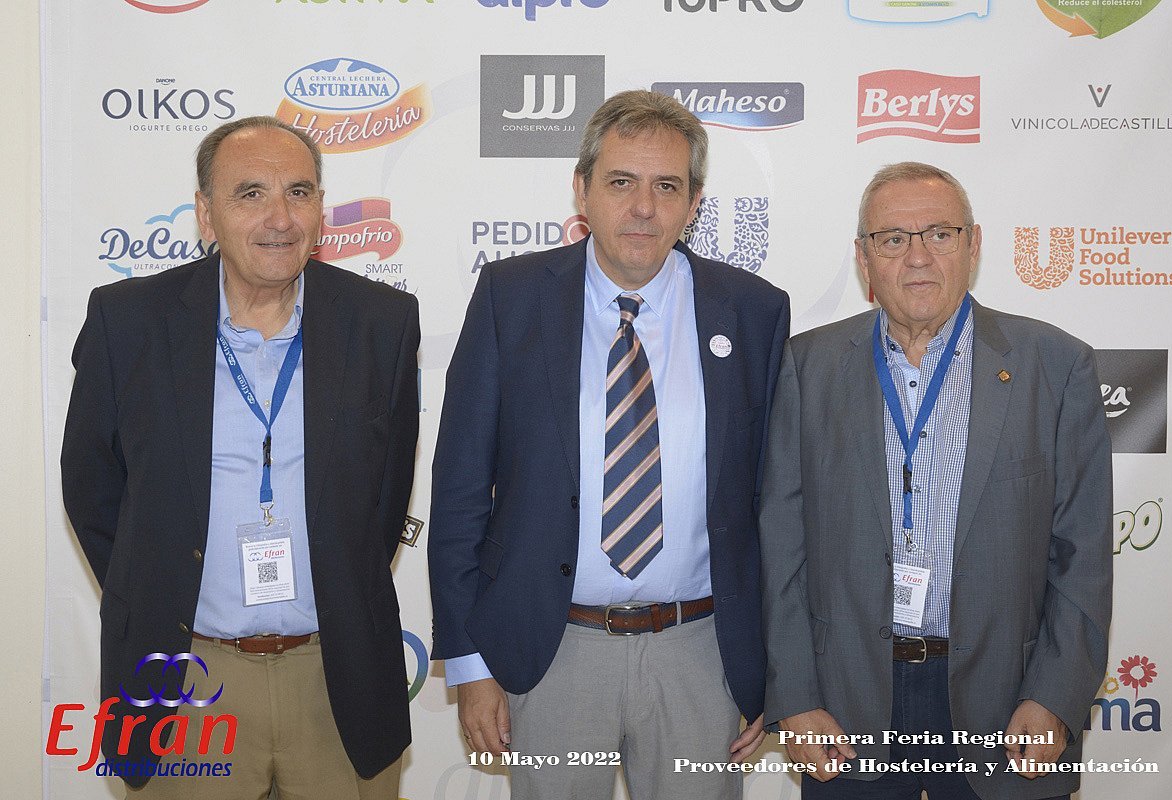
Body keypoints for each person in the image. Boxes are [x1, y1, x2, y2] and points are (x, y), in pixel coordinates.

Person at [428, 89, 789, 799]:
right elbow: (461, 487)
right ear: (583, 190)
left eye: (667, 187)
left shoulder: (753, 311)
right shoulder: (510, 297)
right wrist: (469, 664)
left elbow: (776, 505)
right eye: (622, 182)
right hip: (552, 650)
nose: (643, 207)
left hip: (702, 653)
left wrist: (773, 670)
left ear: (695, 203)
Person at [61, 116, 419, 798]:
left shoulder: (383, 322)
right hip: (186, 678)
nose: (279, 218)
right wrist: (157, 586)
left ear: (321, 208)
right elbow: (91, 488)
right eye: (250, 194)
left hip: (336, 676)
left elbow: (384, 496)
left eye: (299, 192)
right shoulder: (128, 321)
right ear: (206, 213)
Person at [758, 162, 1112, 800]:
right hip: (849, 698)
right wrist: (797, 698)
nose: (917, 256)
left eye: (940, 234)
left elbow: (1082, 555)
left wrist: (1054, 697)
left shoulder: (1056, 366)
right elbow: (782, 546)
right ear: (864, 258)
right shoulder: (807, 365)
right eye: (892, 238)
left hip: (1007, 699)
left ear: (974, 246)